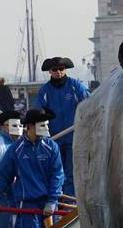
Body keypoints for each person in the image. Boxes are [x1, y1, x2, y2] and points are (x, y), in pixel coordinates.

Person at [0, 108, 65, 228]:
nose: (47, 128)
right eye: (43, 125)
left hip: (49, 204)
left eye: (47, 124)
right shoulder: (16, 149)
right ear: (30, 126)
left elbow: (57, 175)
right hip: (27, 205)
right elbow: (4, 176)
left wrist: (52, 200)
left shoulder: (52, 147)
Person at [35, 56, 89, 198]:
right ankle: (57, 199)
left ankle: (70, 201)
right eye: (55, 70)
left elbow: (89, 103)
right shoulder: (44, 90)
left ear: (65, 70)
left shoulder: (75, 86)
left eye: (61, 69)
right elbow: (38, 112)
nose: (58, 72)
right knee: (57, 171)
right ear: (50, 72)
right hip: (54, 139)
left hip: (73, 136)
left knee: (71, 172)